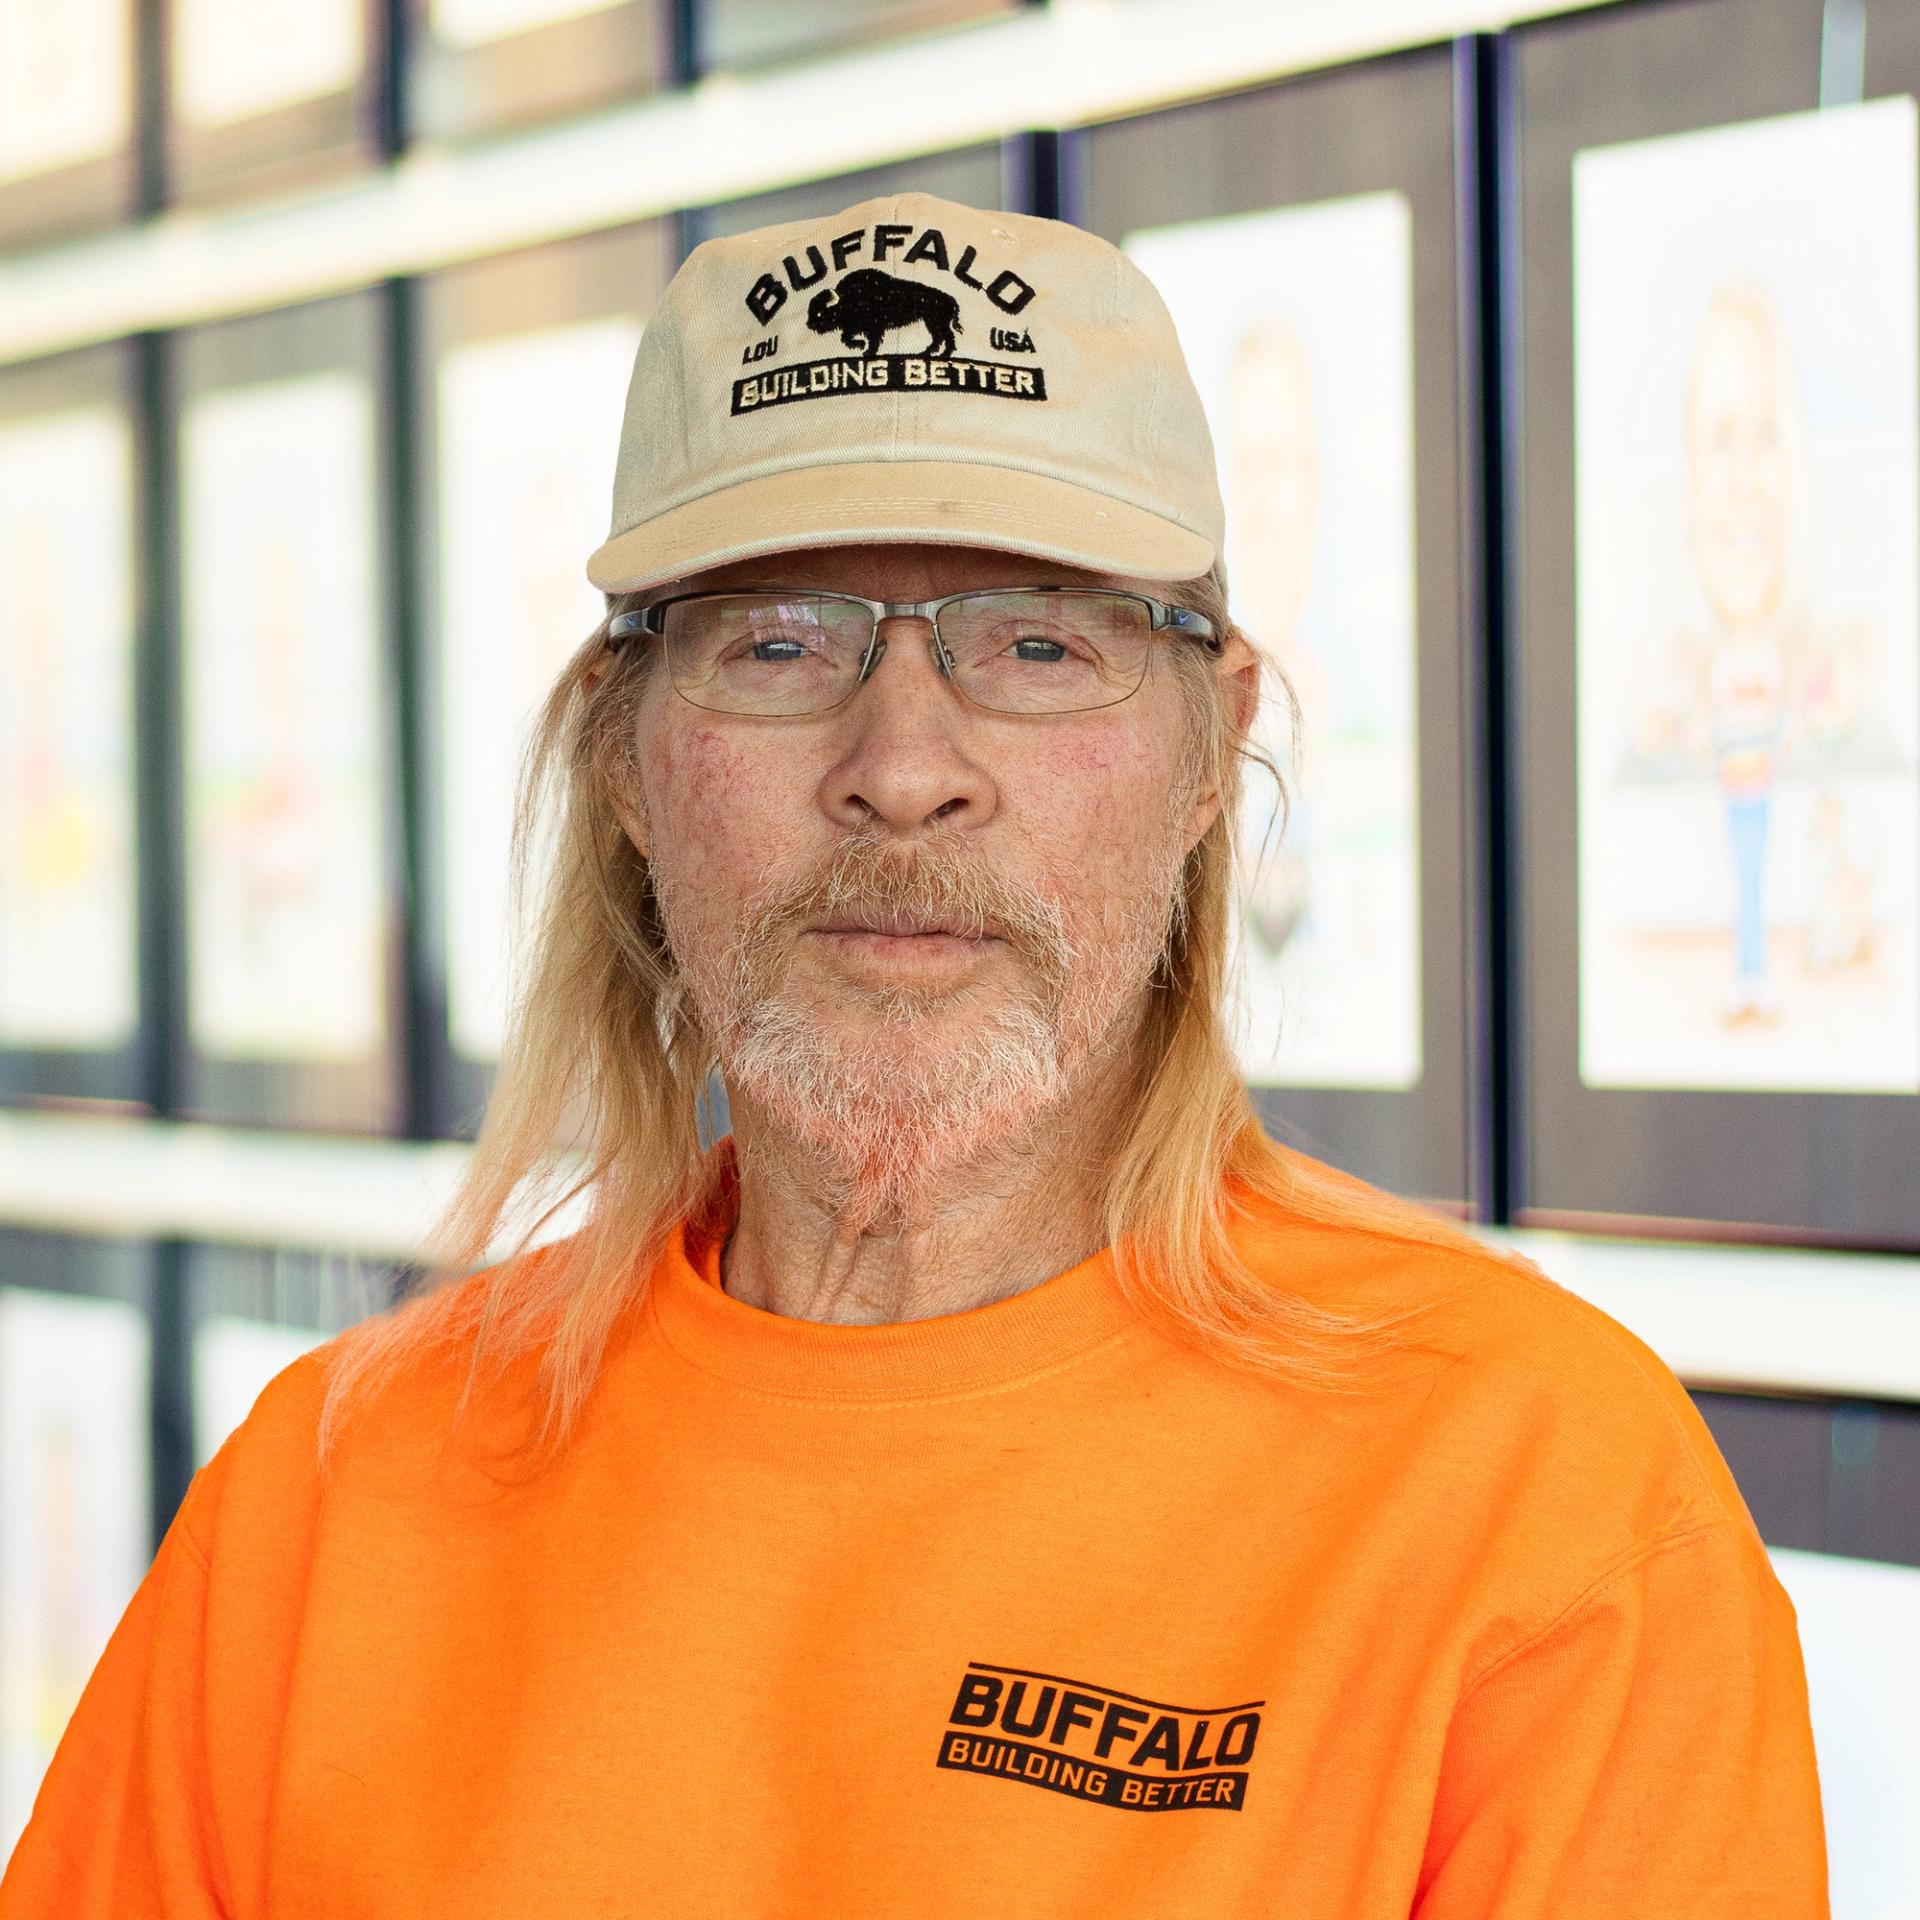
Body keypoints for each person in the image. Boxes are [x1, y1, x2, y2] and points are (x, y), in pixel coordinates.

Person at [0, 190, 1827, 1917]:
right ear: (628, 759)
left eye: (1033, 643)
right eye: (781, 644)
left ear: (1214, 750)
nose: (900, 761)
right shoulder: (332, 1504)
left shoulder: (1537, 1502)